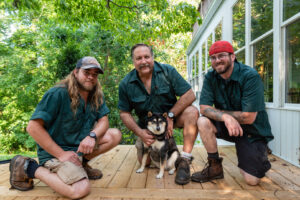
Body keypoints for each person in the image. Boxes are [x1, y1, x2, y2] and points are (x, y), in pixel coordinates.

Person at [9, 56, 122, 199]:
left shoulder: (96, 93)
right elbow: (32, 128)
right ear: (76, 72)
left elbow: (104, 121)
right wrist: (62, 154)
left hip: (77, 149)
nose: (91, 77)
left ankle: (81, 164)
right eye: (87, 72)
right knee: (80, 189)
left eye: (95, 74)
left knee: (115, 134)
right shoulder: (57, 93)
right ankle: (29, 167)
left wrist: (92, 136)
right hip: (55, 153)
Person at [191, 41, 274, 186]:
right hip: (227, 126)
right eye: (213, 57)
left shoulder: (250, 76)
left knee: (252, 180)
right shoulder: (211, 77)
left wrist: (225, 115)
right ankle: (214, 167)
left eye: (222, 56)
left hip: (252, 130)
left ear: (232, 57)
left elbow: (248, 117)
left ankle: (260, 151)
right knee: (202, 121)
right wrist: (225, 117)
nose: (217, 60)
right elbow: (204, 108)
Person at [118, 43, 199, 185]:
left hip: (172, 117)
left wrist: (171, 116)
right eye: (138, 58)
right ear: (133, 61)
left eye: (146, 57)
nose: (143, 61)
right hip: (147, 127)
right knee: (147, 162)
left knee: (192, 111)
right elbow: (124, 113)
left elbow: (189, 95)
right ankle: (163, 151)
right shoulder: (126, 83)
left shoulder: (168, 72)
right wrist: (140, 132)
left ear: (153, 57)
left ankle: (184, 160)